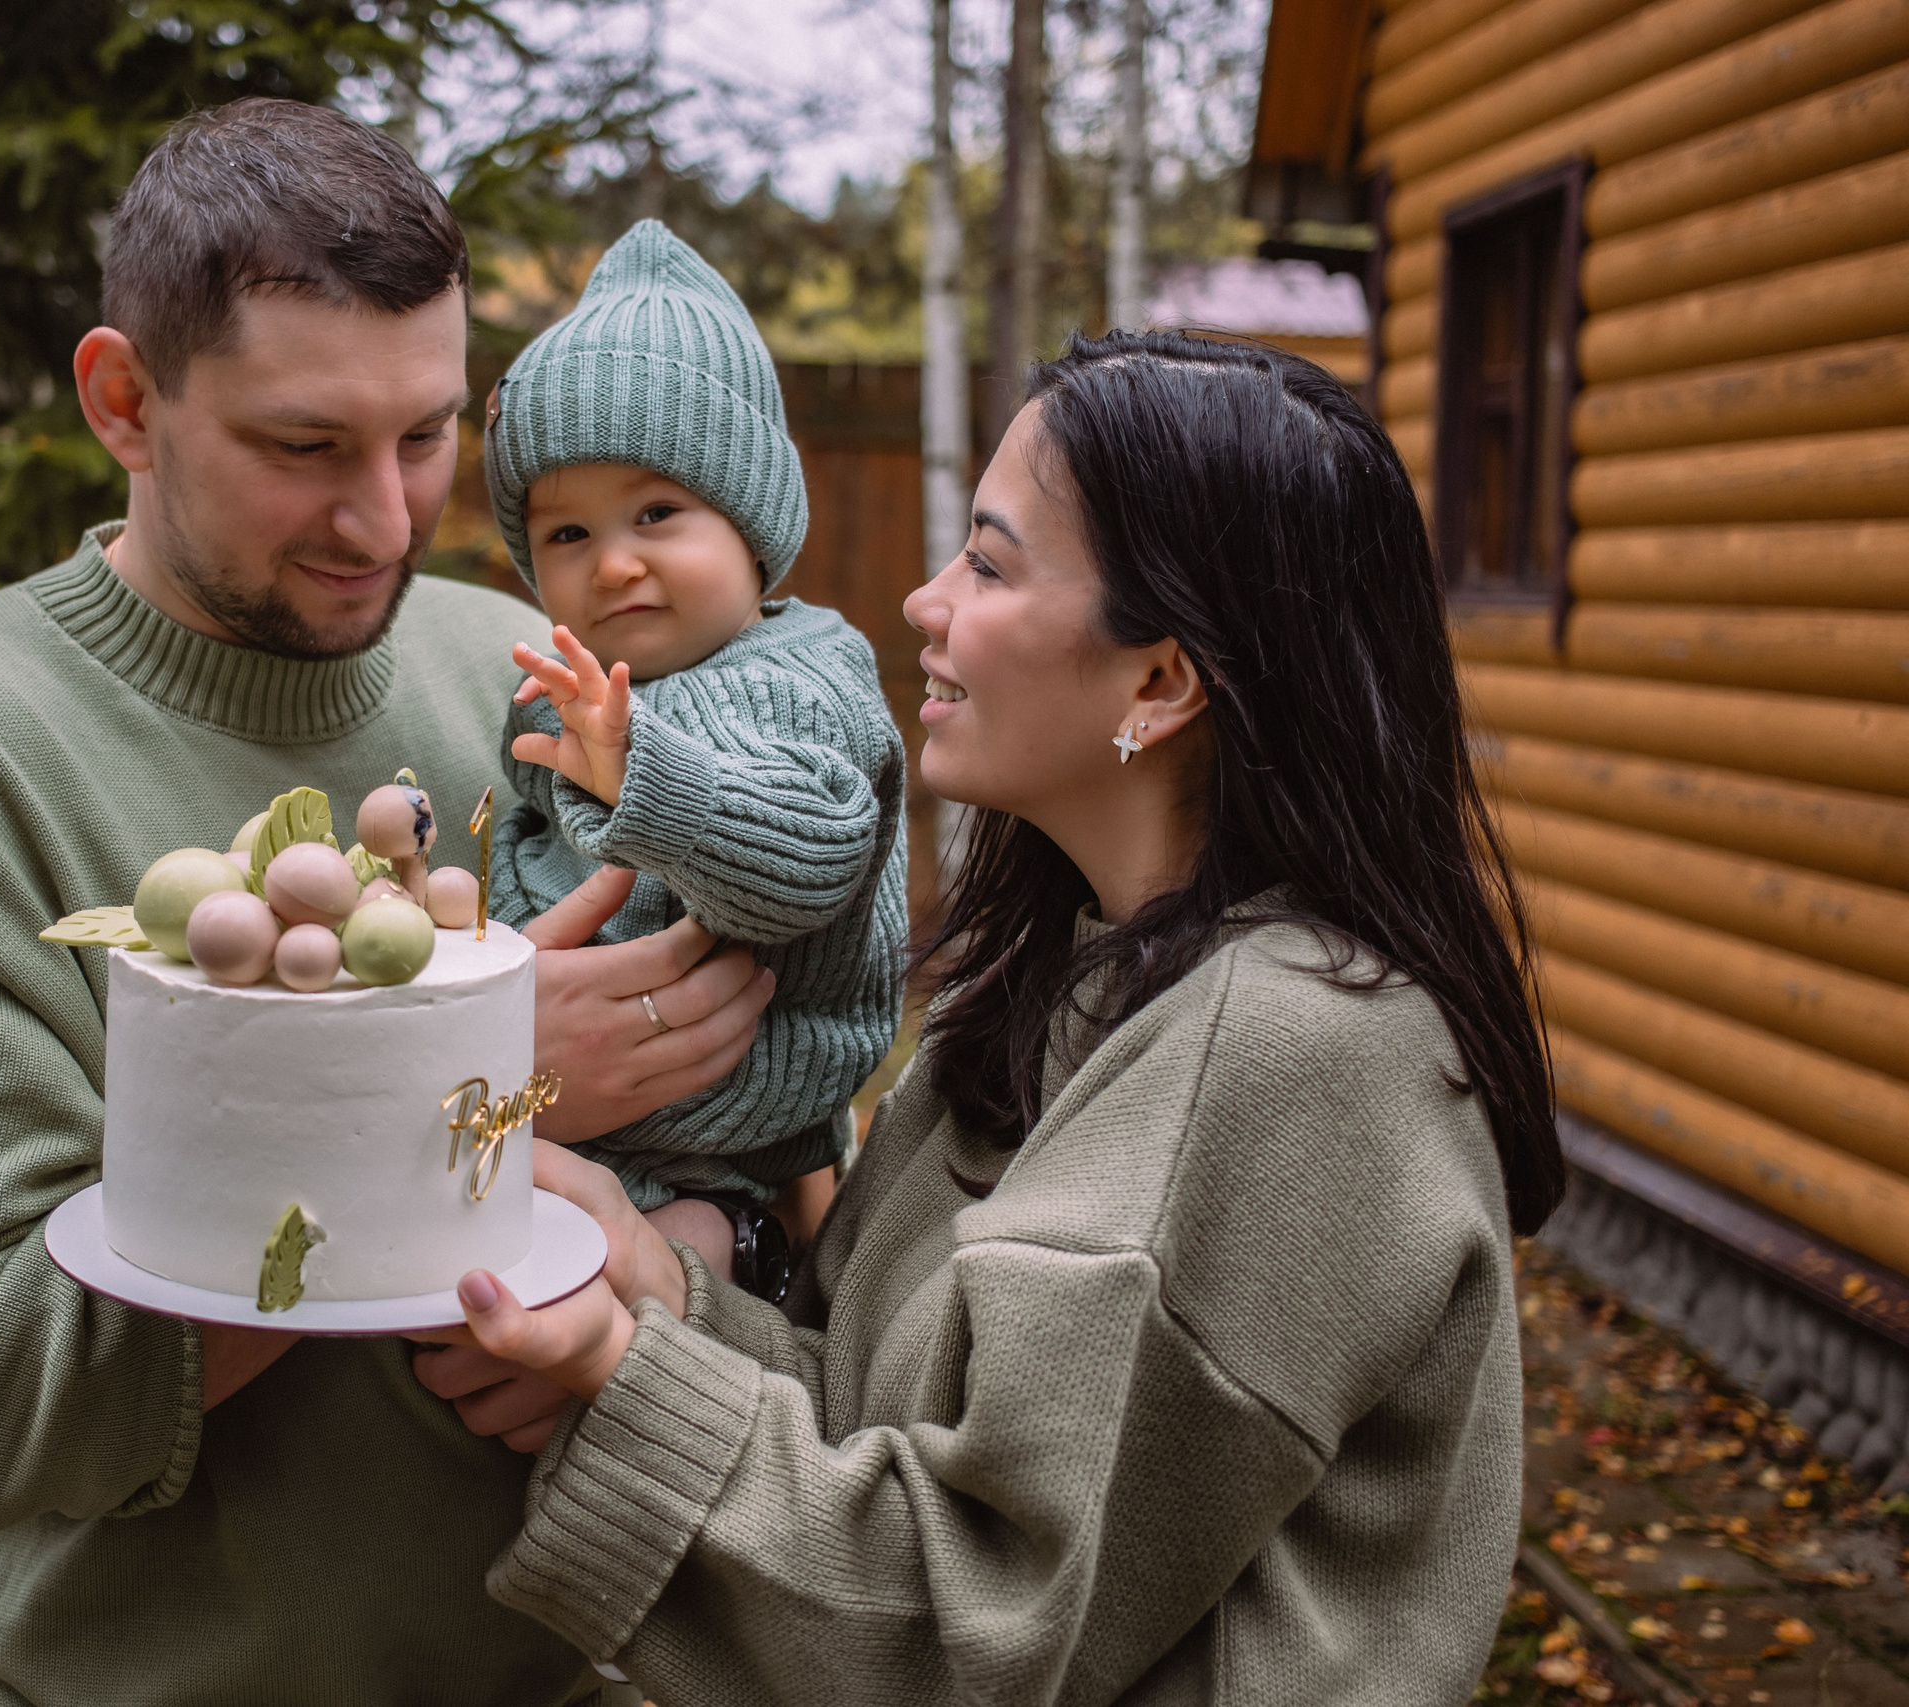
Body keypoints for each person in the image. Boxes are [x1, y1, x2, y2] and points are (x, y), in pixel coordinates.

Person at [0, 99, 770, 1706]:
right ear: (126, 401)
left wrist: (671, 1279)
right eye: (306, 447)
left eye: (428, 435)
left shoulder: (523, 676)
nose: (385, 519)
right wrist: (460, 1094)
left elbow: (777, 1156)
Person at [429, 332, 1565, 1703]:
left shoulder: (1287, 1055)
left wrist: (620, 1369)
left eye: (990, 562)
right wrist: (655, 1284)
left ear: (1160, 680)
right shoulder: (1057, 992)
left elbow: (971, 1624)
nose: (921, 599)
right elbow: (869, 1410)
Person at [482, 221, 907, 1291]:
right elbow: (526, 853)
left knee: (662, 1278)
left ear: (751, 522)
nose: (614, 562)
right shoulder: (567, 684)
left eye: (657, 513)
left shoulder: (797, 677)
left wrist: (645, 780)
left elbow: (811, 855)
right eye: (566, 535)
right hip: (555, 1115)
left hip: (720, 1153)